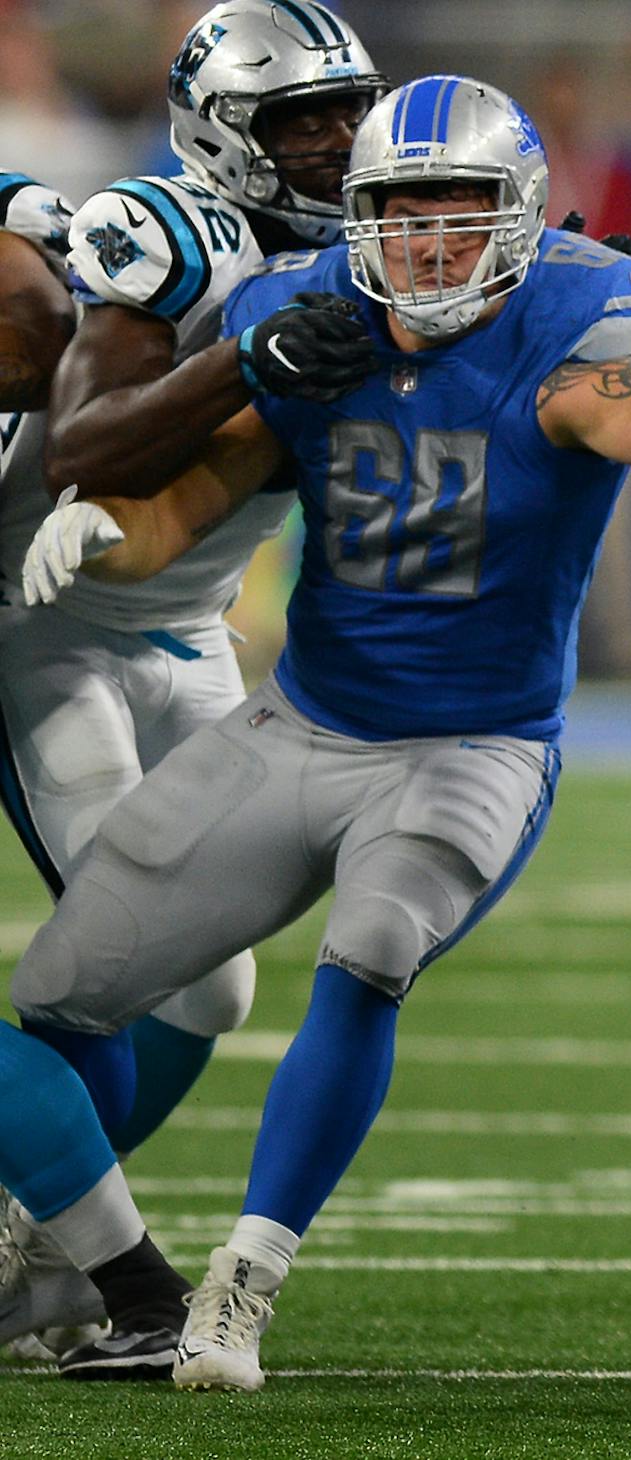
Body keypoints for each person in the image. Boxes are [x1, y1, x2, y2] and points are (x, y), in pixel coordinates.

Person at [12, 73, 631, 1392]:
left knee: (372, 949)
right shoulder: (308, 318)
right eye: (398, 210)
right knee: (64, 996)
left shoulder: (576, 312)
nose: (427, 240)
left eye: (460, 209)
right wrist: (99, 537)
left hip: (473, 744)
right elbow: (178, 514)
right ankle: (56, 1248)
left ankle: (239, 1285)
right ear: (356, 215)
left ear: (519, 216)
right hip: (300, 723)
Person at [20, 0, 387, 1172]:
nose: (338, 138)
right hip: (48, 620)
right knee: (109, 960)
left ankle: (42, 1231)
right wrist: (244, 352)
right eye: (304, 118)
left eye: (351, 110)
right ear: (226, 129)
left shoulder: (375, 244)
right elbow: (83, 445)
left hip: (189, 627)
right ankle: (84, 1247)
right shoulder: (174, 232)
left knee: (214, 988)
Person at [0, 172, 199, 1382]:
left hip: (58, 635)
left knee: (169, 975)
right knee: (151, 977)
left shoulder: (38, 244)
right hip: (50, 636)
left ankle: (124, 1276)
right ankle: (76, 1252)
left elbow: (39, 319)